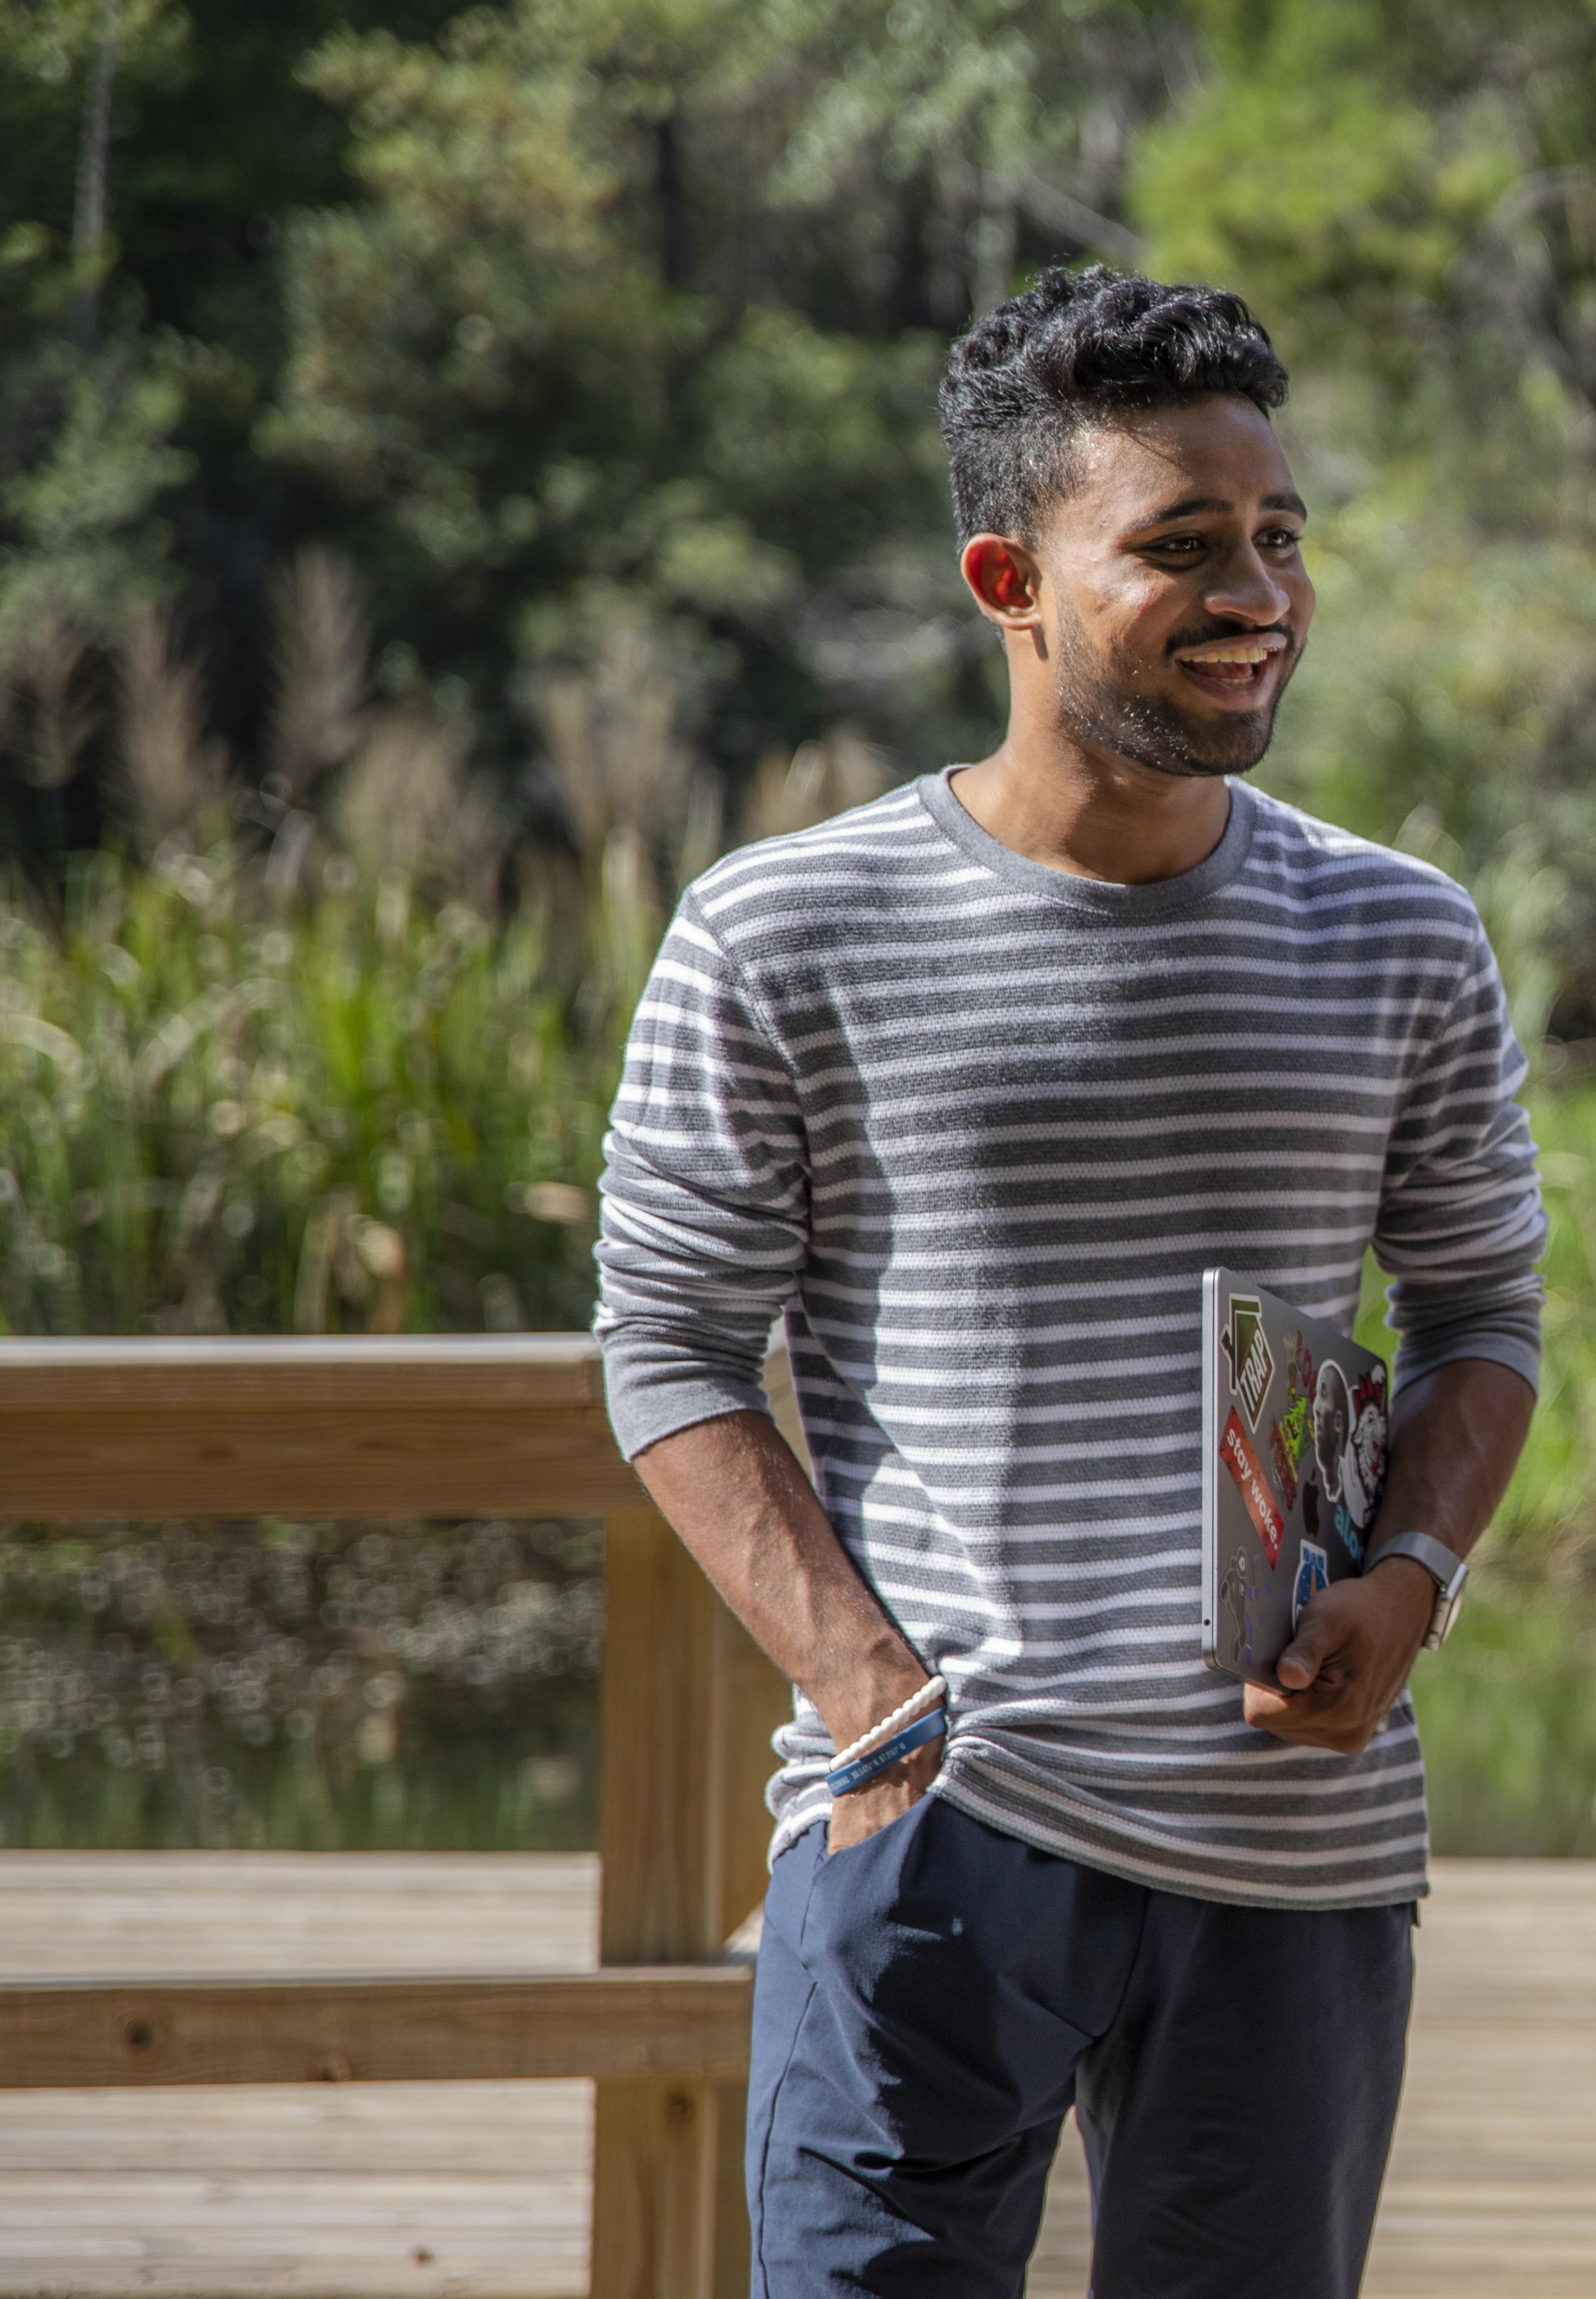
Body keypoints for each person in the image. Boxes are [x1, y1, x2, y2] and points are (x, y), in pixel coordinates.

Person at [593, 265, 1547, 2296]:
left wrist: (1412, 1579)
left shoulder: (1402, 936)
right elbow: (669, 1345)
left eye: (1278, 535)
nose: (1257, 592)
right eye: (1182, 546)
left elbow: (1481, 1315)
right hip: (933, 1822)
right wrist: (865, 1692)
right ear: (1008, 581)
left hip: (1293, 1844)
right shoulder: (781, 930)